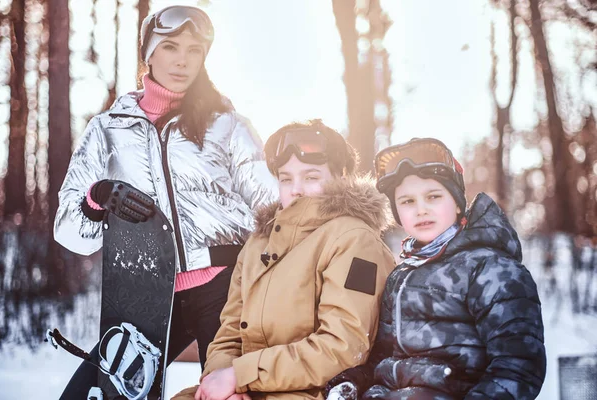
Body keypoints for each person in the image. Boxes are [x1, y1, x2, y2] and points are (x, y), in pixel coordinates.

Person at [53, 5, 277, 399]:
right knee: (93, 392)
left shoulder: (227, 124)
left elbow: (272, 210)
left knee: (231, 394)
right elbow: (70, 231)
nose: (182, 60)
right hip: (146, 293)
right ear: (149, 53)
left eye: (194, 50)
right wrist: (97, 197)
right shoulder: (107, 130)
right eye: (171, 46)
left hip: (224, 291)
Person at [171, 119, 396, 400]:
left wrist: (241, 376)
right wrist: (226, 384)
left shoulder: (355, 241)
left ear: (341, 176)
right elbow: (228, 334)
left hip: (313, 393)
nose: (296, 189)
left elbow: (342, 347)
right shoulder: (258, 243)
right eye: (286, 179)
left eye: (311, 177)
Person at [324, 137, 547, 399]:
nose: (421, 210)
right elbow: (384, 354)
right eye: (407, 201)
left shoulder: (491, 269)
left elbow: (518, 366)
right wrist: (355, 380)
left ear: (456, 202)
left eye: (433, 196)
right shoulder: (401, 276)